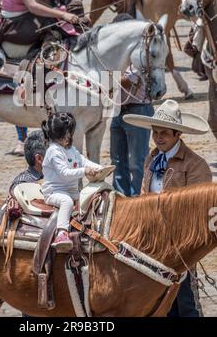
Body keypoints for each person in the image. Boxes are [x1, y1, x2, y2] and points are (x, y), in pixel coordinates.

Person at [124, 99, 212, 317]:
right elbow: (145, 195)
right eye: (155, 133)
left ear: (177, 135)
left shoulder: (195, 165)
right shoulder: (152, 158)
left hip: (180, 243)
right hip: (153, 240)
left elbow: (198, 210)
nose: (158, 138)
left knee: (185, 301)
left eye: (164, 133)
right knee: (161, 301)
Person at [41, 112, 102, 251]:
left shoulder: (71, 150)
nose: (69, 137)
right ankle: (61, 233)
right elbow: (64, 174)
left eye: (70, 133)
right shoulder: (53, 151)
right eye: (66, 134)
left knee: (89, 198)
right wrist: (84, 171)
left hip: (72, 191)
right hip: (55, 192)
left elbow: (83, 160)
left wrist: (99, 168)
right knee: (66, 202)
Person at [110, 67, 154, 197]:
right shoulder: (120, 58)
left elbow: (126, 82)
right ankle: (121, 197)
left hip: (138, 108)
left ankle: (138, 198)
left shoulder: (137, 59)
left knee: (137, 160)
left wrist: (103, 75)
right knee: (117, 159)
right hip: (120, 108)